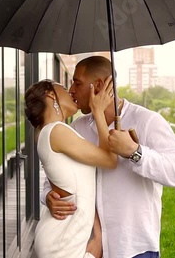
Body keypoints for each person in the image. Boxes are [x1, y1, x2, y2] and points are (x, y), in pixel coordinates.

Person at [42, 56, 175, 258]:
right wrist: (47, 197)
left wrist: (135, 152)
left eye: (77, 83)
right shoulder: (77, 128)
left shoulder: (147, 121)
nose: (71, 91)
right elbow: (52, 178)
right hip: (88, 248)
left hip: (134, 248)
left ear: (99, 85)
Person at [24, 77, 117, 258]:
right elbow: (110, 159)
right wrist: (98, 111)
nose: (71, 92)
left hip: (65, 236)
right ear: (51, 95)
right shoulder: (57, 131)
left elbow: (78, 192)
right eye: (65, 89)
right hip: (62, 242)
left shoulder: (49, 132)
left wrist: (97, 235)